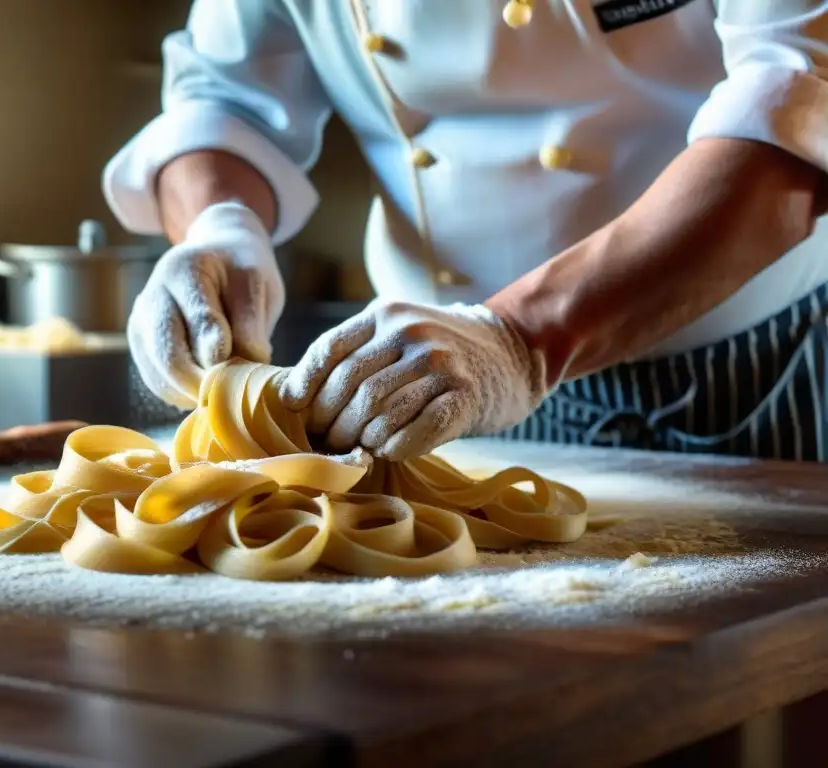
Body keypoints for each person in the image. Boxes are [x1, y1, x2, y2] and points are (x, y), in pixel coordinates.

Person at [104, 0, 828, 463]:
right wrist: (218, 225)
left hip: (750, 369)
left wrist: (521, 339)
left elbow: (798, 105)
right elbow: (225, 100)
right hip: (424, 384)